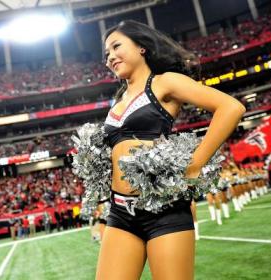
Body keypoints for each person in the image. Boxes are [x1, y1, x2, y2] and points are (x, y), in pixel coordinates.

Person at [97, 20, 246, 280]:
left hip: (164, 210)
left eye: (116, 46)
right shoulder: (118, 101)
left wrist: (195, 164)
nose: (110, 57)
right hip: (120, 212)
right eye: (106, 54)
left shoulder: (164, 83)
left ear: (141, 47)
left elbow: (231, 108)